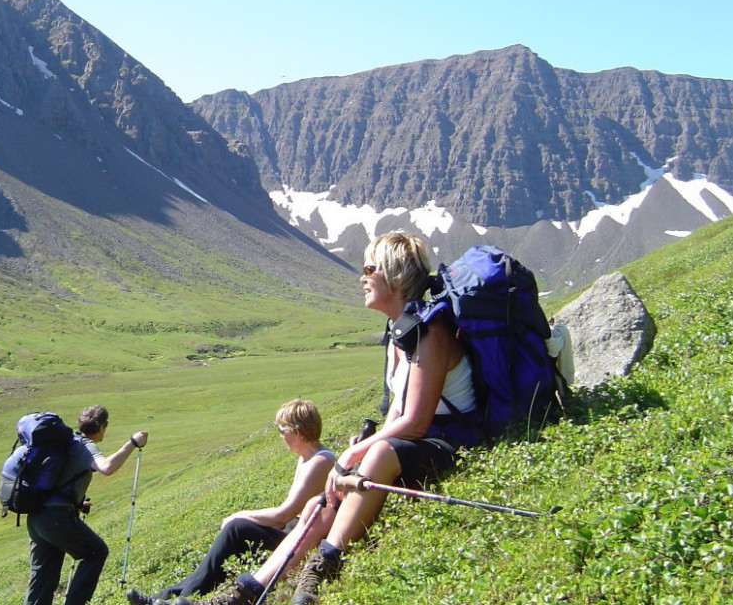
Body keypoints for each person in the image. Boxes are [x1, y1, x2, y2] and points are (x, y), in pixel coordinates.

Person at [166, 231, 481, 605]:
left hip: (455, 443)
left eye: (370, 269)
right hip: (413, 446)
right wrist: (357, 456)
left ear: (395, 277)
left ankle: (322, 566)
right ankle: (249, 589)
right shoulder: (401, 334)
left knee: (372, 457)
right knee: (322, 499)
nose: (362, 278)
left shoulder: (432, 333)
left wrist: (354, 455)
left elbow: (414, 422)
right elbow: (395, 416)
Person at [126, 400, 335, 605]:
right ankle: (166, 596)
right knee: (235, 534)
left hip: (298, 540)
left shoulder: (320, 461)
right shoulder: (308, 457)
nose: (280, 436)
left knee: (237, 528)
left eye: (282, 430)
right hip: (293, 531)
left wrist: (239, 515)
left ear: (297, 432)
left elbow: (284, 515)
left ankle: (177, 598)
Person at [24, 405, 149, 605]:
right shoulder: (84, 445)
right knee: (95, 552)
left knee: (42, 579)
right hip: (56, 519)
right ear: (101, 426)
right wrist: (132, 443)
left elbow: (57, 480)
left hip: (36, 517)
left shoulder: (65, 443)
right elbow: (106, 468)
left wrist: (77, 503)